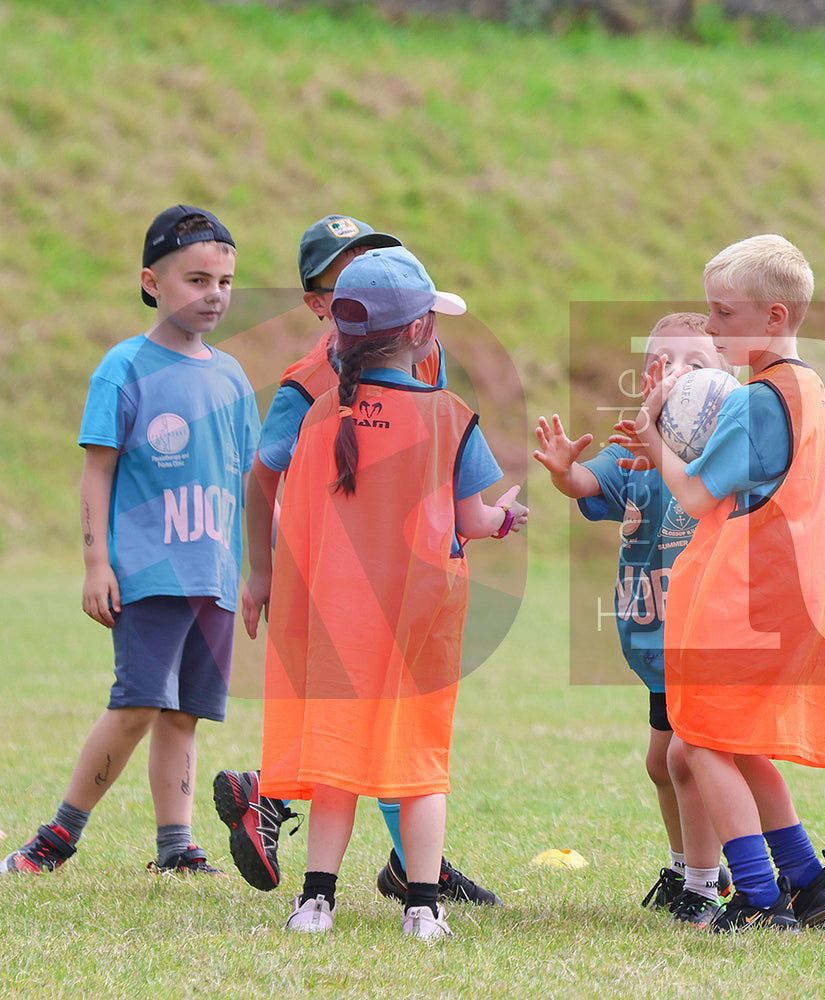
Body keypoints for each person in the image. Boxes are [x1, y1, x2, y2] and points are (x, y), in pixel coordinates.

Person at [214, 214, 497, 906]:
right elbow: (263, 476)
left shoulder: (418, 364)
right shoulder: (309, 385)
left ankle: (376, 857)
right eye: (351, 274)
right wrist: (262, 570)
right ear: (322, 305)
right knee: (368, 720)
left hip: (392, 582)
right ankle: (294, 809)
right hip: (339, 581)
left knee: (371, 717)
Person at [2, 206, 257, 876]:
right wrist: (95, 561)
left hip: (215, 576)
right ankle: (55, 839)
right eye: (196, 279)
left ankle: (176, 848)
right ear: (152, 282)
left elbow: (255, 484)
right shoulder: (124, 367)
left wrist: (260, 571)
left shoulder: (231, 378)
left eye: (225, 282)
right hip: (149, 570)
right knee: (138, 703)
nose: (213, 294)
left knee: (184, 714)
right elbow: (97, 470)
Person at [612, 234, 825, 931]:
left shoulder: (755, 401)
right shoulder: (807, 386)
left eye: (722, 315)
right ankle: (808, 881)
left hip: (751, 594)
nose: (711, 328)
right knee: (737, 739)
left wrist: (653, 433)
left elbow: (692, 497)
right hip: (797, 593)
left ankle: (755, 893)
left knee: (700, 739)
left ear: (774, 318)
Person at [532, 311, 732, 926]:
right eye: (665, 364)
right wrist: (566, 471)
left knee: (686, 761)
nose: (678, 377)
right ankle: (690, 866)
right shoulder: (631, 453)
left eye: (697, 366)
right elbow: (590, 481)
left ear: (726, 382)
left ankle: (705, 882)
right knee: (661, 763)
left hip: (705, 641)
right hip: (656, 647)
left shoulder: (719, 458)